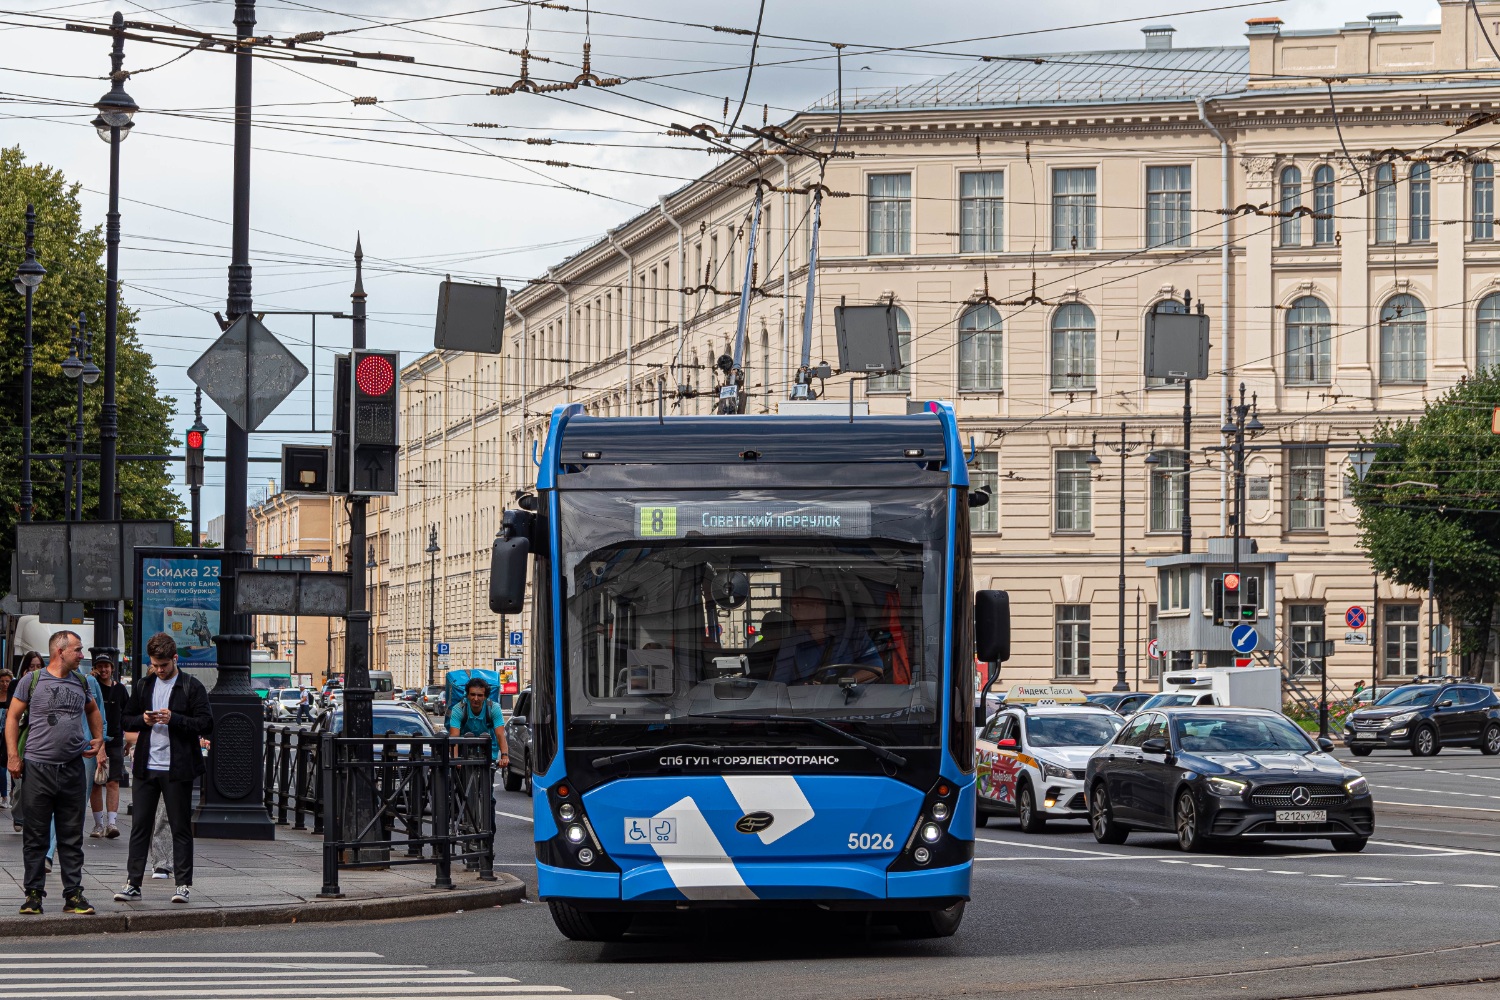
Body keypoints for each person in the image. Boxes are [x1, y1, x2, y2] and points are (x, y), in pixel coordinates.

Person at [4, 631, 103, 915]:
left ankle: (73, 895)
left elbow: (93, 709)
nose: (82, 655)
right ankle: (33, 896)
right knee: (35, 836)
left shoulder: (81, 682)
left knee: (71, 835)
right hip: (37, 768)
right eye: (78, 650)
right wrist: (13, 755)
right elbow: (12, 717)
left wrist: (98, 738)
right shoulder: (32, 681)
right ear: (60, 651)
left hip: (72, 768)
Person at [114, 632, 212, 906]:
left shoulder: (191, 687)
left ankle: (182, 884)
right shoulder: (145, 685)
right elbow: (126, 719)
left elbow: (206, 723)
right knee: (139, 826)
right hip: (146, 765)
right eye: (155, 666)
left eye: (164, 666)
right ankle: (133, 883)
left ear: (175, 659)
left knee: (180, 826)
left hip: (177, 767)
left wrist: (175, 719)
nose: (159, 670)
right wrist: (144, 719)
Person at [447, 678, 508, 870]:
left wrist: (504, 755)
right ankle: (462, 825)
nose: (475, 699)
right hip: (465, 757)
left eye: (479, 695)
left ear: (485, 696)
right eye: (472, 694)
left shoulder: (493, 708)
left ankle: (488, 835)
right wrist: (456, 759)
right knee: (462, 796)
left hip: (486, 757)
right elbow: (454, 736)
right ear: (467, 694)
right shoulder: (459, 709)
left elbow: (499, 734)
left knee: (487, 797)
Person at [770, 584, 885, 685]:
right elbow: (779, 684)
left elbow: (875, 668)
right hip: (804, 704)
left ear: (818, 605)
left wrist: (842, 684)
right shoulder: (791, 643)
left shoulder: (852, 633)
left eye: (798, 605)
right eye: (791, 605)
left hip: (848, 701)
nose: (792, 610)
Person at [89, 657, 128, 839]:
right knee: (96, 783)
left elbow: (127, 714)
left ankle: (111, 823)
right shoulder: (91, 687)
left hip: (115, 740)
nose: (103, 670)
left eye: (106, 666)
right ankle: (98, 824)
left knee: (113, 781)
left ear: (112, 668)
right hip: (94, 740)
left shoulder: (120, 689)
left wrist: (129, 740)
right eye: (100, 666)